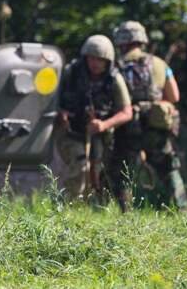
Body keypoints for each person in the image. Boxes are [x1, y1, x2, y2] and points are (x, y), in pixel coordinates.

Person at [111, 21, 187, 211]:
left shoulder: (116, 66)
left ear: (121, 41)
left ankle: (126, 217)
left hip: (127, 127)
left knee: (124, 173)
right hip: (156, 126)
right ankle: (183, 210)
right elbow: (174, 96)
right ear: (142, 39)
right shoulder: (160, 64)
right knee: (169, 168)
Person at [57, 35, 133, 201]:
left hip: (102, 136)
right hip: (72, 132)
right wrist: (61, 112)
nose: (95, 63)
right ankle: (69, 208)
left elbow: (127, 112)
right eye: (92, 58)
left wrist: (104, 125)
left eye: (100, 59)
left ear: (108, 61)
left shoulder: (114, 79)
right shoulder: (71, 73)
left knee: (102, 174)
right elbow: (53, 100)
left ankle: (100, 208)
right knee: (80, 166)